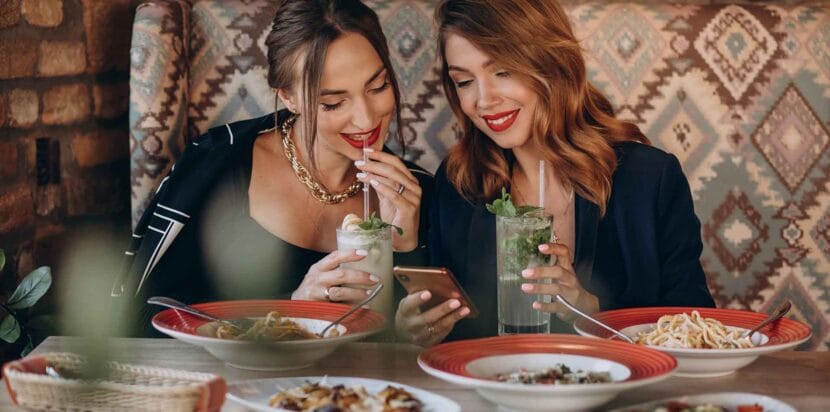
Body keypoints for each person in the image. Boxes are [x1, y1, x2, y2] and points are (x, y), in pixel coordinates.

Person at [395, 0, 715, 346]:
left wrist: (588, 309)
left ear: (550, 63)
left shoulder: (650, 179)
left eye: (502, 72)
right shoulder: (460, 183)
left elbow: (695, 328)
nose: (483, 100)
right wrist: (418, 329)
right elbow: (453, 336)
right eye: (464, 81)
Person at [110, 0, 432, 336]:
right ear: (289, 98)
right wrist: (290, 311)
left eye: (378, 87)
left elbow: (414, 340)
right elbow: (141, 322)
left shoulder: (418, 194)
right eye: (333, 103)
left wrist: (406, 251)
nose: (366, 120)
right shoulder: (215, 166)